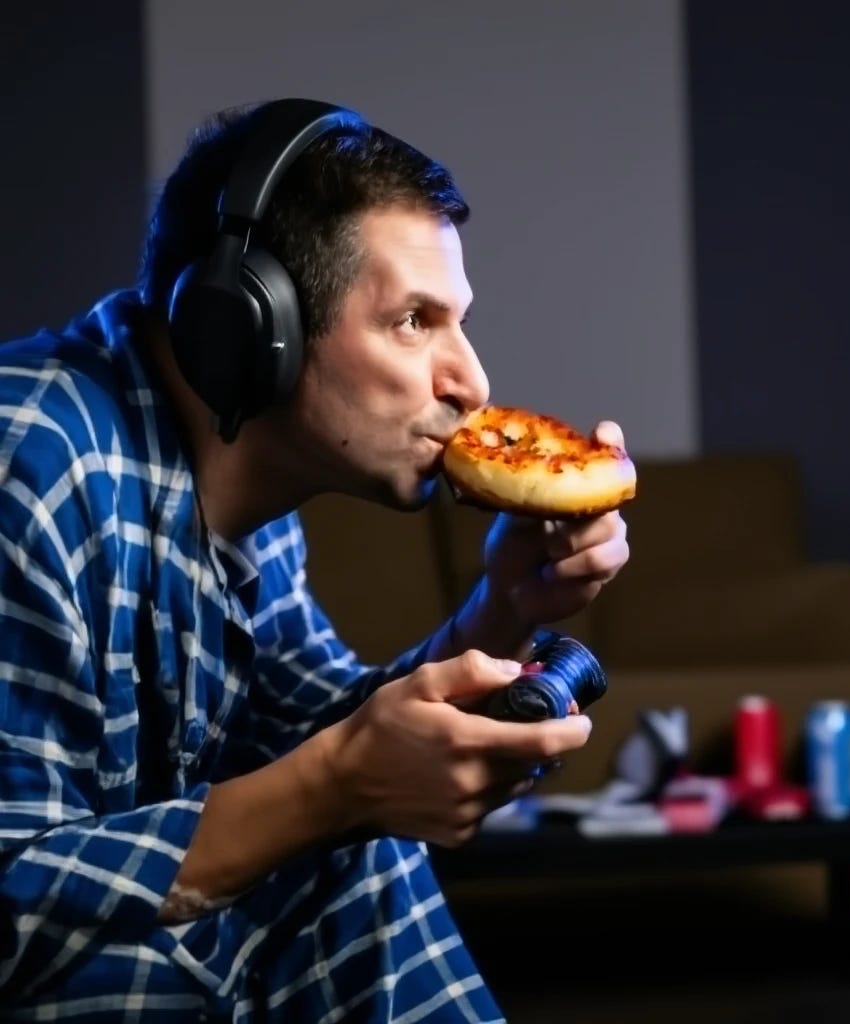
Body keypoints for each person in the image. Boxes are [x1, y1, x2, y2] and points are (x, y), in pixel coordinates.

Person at [0, 98, 630, 1021]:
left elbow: (316, 737)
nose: (474, 383)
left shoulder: (255, 499)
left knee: (355, 845)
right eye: (414, 321)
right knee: (347, 838)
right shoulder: (30, 465)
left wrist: (504, 607)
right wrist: (342, 787)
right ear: (252, 324)